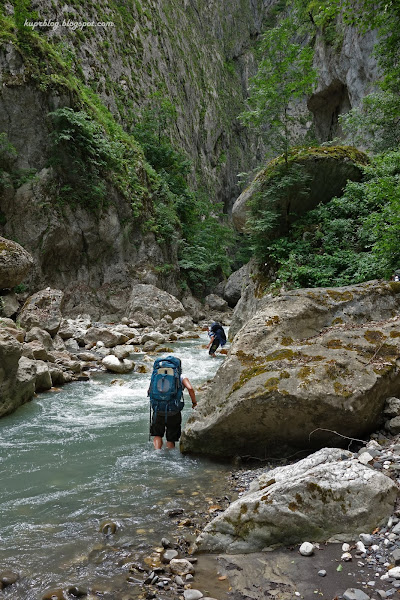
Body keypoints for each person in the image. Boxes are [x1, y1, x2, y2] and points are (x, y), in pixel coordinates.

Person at [149, 363, 197, 450]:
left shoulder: (157, 374)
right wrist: (194, 403)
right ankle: (169, 456)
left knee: (157, 435)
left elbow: (149, 391)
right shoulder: (181, 376)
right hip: (173, 411)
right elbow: (190, 389)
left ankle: (157, 453)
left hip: (158, 409)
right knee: (171, 439)